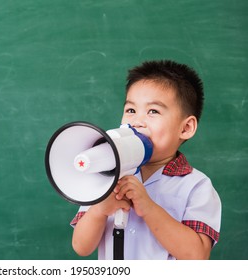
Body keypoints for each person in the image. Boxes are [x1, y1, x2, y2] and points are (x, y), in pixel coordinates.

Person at [70, 60, 221, 260]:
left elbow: (197, 256)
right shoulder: (105, 174)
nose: (137, 122)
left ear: (185, 128)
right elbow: (81, 247)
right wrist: (99, 210)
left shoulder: (196, 186)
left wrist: (149, 208)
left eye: (153, 111)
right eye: (131, 110)